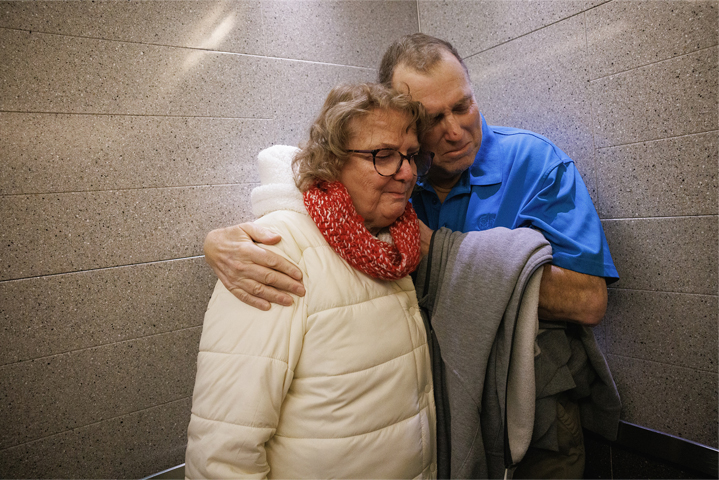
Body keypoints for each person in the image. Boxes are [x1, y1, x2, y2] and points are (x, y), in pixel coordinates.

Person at [201, 34, 619, 477]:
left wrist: (442, 253)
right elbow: (309, 191)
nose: (455, 131)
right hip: (435, 419)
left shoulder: (536, 164)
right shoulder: (391, 183)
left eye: (463, 106)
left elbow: (589, 301)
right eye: (433, 119)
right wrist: (219, 243)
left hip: (535, 411)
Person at [185, 83, 437, 479]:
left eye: (409, 155)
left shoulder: (397, 246)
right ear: (333, 161)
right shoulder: (275, 251)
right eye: (383, 156)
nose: (405, 172)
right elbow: (223, 448)